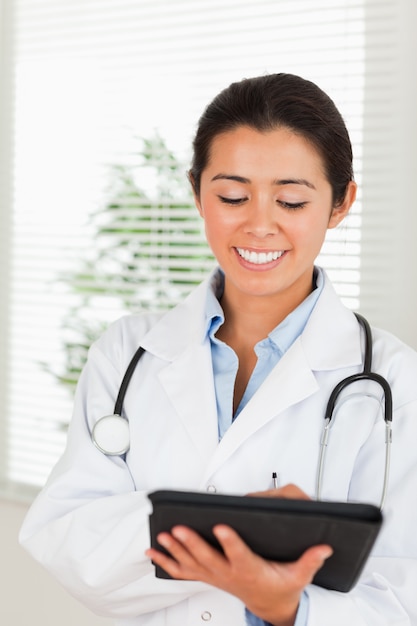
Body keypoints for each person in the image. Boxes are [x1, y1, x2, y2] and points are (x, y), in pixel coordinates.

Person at [19, 73, 417, 626]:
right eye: (232, 195)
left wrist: (286, 606)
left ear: (340, 203)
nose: (258, 224)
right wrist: (241, 530)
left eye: (291, 200)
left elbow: (402, 597)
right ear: (196, 191)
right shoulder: (127, 355)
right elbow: (69, 543)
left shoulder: (394, 383)